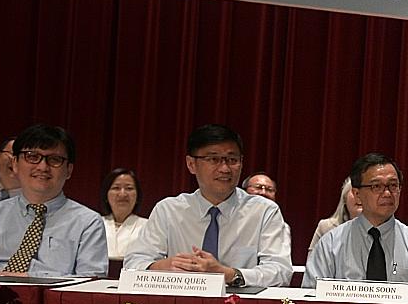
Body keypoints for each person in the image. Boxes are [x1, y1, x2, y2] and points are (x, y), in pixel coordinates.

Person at [123, 123, 292, 288]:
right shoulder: (168, 210)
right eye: (214, 159)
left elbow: (280, 271)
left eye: (232, 160)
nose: (225, 168)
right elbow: (134, 263)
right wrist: (161, 267)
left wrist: (229, 274)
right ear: (191, 164)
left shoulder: (264, 211)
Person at [0, 123, 106, 277]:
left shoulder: (88, 222)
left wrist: (33, 278)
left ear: (69, 170)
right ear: (15, 164)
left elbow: (91, 282)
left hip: (53, 299)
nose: (43, 167)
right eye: (33, 157)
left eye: (54, 159)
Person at [306, 153, 408, 291]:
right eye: (377, 186)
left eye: (393, 185)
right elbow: (312, 297)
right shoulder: (331, 244)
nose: (387, 193)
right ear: (357, 194)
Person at [100, 168, 147, 261]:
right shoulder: (95, 224)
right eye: (116, 188)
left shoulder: (148, 226)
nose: (122, 194)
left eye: (129, 188)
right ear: (106, 194)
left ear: (137, 196)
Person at [307, 178, 360, 253]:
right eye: (355, 192)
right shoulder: (326, 227)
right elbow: (312, 261)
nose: (360, 197)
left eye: (364, 193)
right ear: (344, 198)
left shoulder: (379, 230)